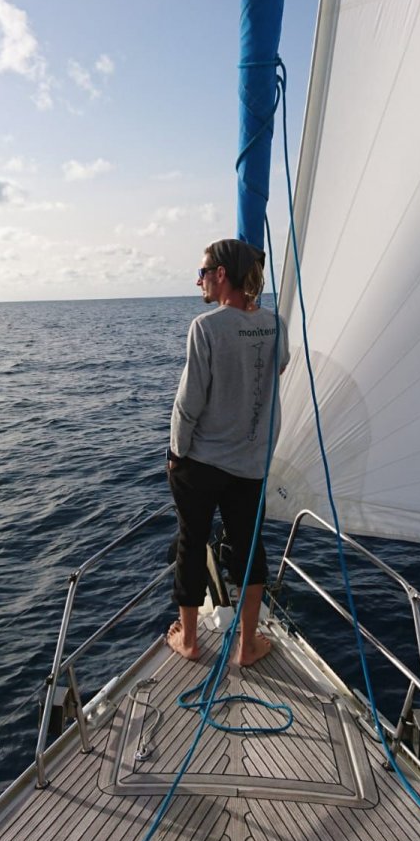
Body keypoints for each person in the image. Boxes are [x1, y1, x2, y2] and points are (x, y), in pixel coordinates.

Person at [166, 238, 289, 666]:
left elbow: (189, 402)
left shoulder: (206, 327)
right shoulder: (276, 324)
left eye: (203, 272)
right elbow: (282, 364)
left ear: (221, 274)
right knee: (249, 549)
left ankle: (190, 641)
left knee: (191, 543)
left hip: (199, 462)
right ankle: (247, 645)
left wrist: (176, 453)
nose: (198, 280)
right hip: (250, 464)